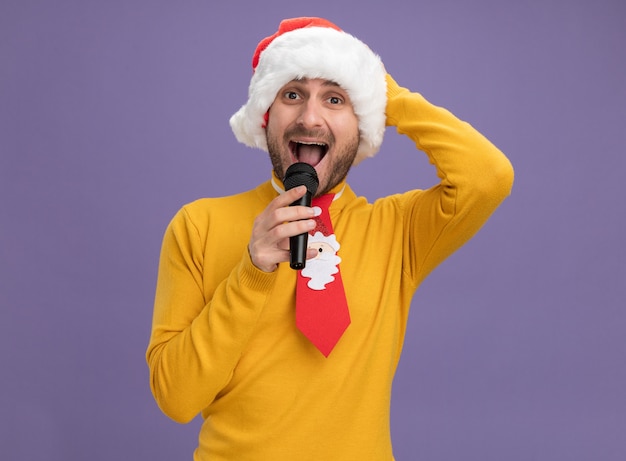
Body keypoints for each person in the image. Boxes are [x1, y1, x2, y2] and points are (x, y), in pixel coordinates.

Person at [146, 17, 514, 461]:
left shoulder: (397, 231)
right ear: (265, 115)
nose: (310, 117)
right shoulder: (199, 224)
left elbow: (488, 177)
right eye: (292, 94)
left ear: (360, 124)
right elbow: (176, 397)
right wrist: (252, 272)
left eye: (335, 98)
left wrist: (383, 93)